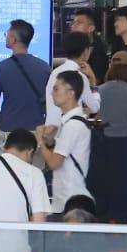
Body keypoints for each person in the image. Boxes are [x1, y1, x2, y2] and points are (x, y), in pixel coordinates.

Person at [90, 55, 127, 223]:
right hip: (125, 145)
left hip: (102, 144)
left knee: (101, 185)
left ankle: (102, 220)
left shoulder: (100, 90)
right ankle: (121, 223)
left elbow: (95, 117)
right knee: (124, 186)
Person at [38, 71, 97, 214]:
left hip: (70, 201)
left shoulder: (72, 126)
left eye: (56, 89)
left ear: (71, 93)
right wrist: (50, 142)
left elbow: (54, 163)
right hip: (69, 198)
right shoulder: (72, 122)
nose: (52, 93)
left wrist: (40, 140)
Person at [0, 18, 53, 134]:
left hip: (8, 130)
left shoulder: (0, 68)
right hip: (37, 131)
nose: (6, 37)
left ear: (13, 39)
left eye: (6, 35)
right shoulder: (44, 67)